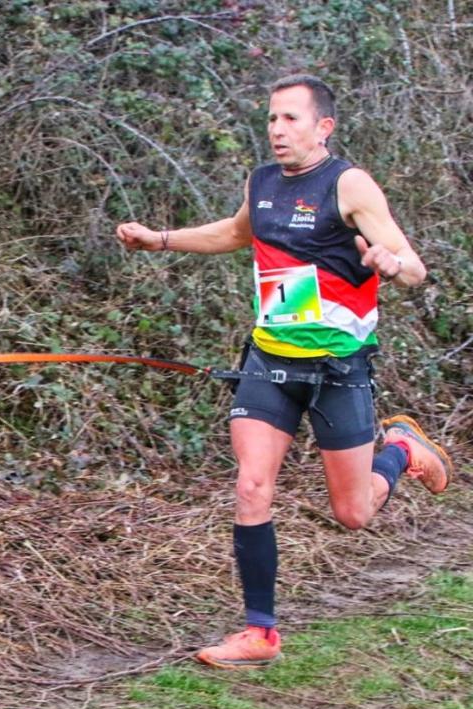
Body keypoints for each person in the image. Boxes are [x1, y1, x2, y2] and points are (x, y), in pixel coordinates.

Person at [115, 74, 453, 669]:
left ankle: (399, 448)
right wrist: (158, 240)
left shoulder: (348, 184)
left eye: (291, 119)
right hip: (270, 361)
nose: (276, 130)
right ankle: (260, 634)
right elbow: (235, 232)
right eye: (272, 118)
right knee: (251, 485)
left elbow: (415, 270)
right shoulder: (263, 183)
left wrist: (387, 261)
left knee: (353, 514)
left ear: (324, 127)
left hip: (337, 369)